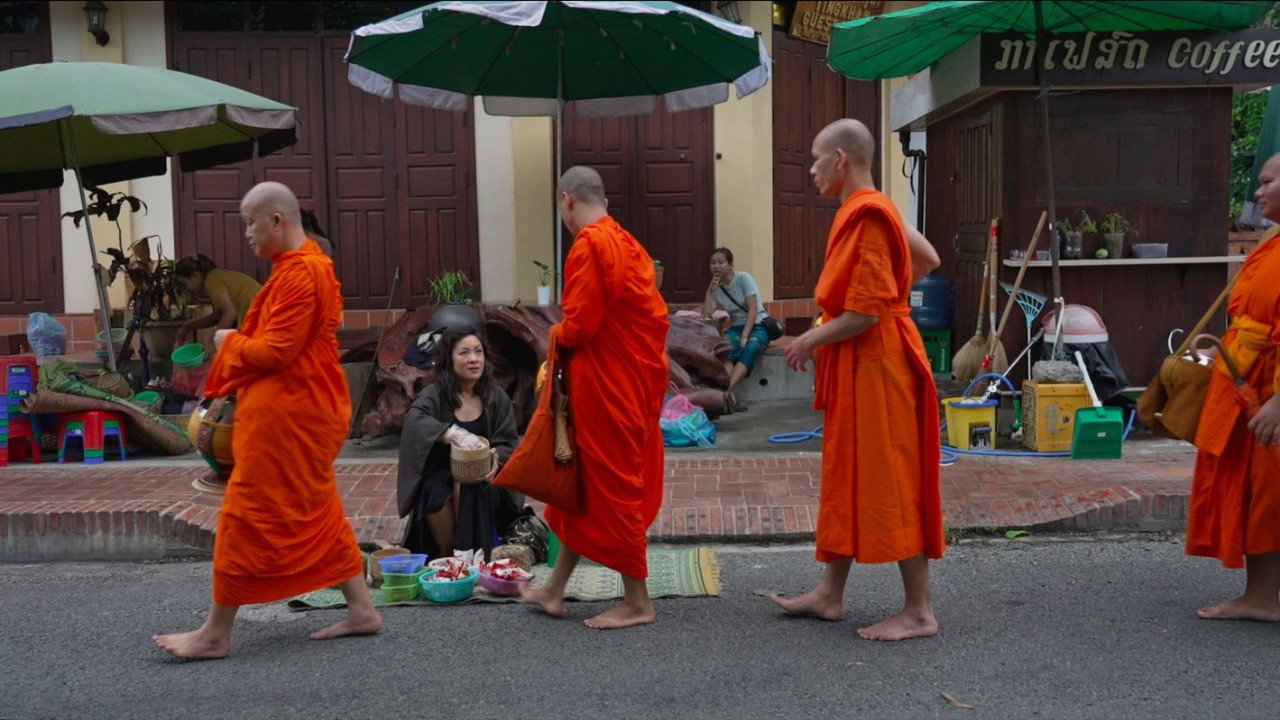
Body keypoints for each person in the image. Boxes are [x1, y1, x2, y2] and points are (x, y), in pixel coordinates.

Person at [153, 181, 381, 659]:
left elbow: (276, 352)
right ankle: (362, 609)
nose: (247, 234)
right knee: (318, 507)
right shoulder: (300, 267)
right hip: (299, 408)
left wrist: (228, 342)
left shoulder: (303, 274)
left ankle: (214, 634)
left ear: (277, 220)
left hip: (291, 416)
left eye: (250, 222)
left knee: (246, 511)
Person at [774, 118, 945, 642]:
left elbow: (867, 313)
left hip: (879, 362)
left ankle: (919, 611)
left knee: (889, 477)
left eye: (815, 158)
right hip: (865, 361)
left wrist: (809, 340)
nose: (811, 170)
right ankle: (830, 594)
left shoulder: (869, 214)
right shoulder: (877, 207)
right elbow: (927, 258)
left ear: (840, 160)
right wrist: (890, 292)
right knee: (848, 471)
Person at [521, 165, 669, 630]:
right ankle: (554, 588)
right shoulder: (628, 243)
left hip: (608, 387)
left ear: (567, 199)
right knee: (580, 486)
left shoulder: (590, 244)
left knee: (614, 485)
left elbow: (581, 327)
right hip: (630, 380)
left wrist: (552, 335)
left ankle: (638, 602)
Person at [1184, 152, 1280, 622]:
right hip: (1249, 382)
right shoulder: (1271, 240)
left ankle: (1261, 598)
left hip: (1271, 391)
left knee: (1268, 495)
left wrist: (1279, 403)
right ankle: (1260, 596)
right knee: (1258, 491)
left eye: (1268, 182)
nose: (1257, 192)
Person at [397, 329, 525, 560]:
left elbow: (509, 443)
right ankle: (448, 553)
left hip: (485, 478)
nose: (473, 359)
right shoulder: (435, 395)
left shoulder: (496, 397)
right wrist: (449, 433)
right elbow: (414, 420)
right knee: (434, 488)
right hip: (443, 476)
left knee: (473, 484)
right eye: (464, 353)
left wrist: (497, 457)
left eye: (478, 352)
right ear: (449, 359)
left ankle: (475, 554)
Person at [701, 247, 770, 411]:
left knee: (750, 347)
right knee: (726, 349)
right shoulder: (716, 288)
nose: (716, 266)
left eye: (721, 262)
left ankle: (725, 393)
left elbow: (753, 309)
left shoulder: (743, 278)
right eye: (713, 263)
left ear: (730, 265)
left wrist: (745, 335)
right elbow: (707, 313)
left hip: (758, 324)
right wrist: (709, 292)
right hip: (736, 327)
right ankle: (730, 397)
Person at [174, 254, 262, 340]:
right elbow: (217, 317)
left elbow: (230, 314)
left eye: (184, 283)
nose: (186, 288)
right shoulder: (215, 277)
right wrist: (188, 326)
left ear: (194, 275)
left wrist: (212, 341)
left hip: (258, 315)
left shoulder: (211, 280)